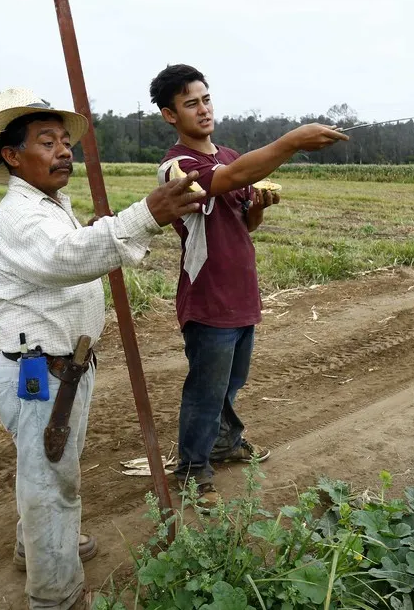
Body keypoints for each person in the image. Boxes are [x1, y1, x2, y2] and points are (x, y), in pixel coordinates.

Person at [0, 87, 204, 610]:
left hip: (62, 371)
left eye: (64, 142)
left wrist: (99, 231)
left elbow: (72, 252)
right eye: (46, 142)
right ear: (11, 156)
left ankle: (37, 549)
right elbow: (62, 259)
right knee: (51, 482)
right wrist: (145, 215)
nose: (63, 151)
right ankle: (57, 596)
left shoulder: (49, 206)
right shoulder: (20, 217)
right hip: (40, 374)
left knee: (47, 467)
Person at [149, 64, 348, 501]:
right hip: (209, 298)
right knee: (206, 387)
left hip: (241, 293)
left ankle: (223, 443)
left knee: (230, 382)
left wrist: (259, 205)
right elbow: (228, 182)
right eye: (190, 104)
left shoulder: (229, 154)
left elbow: (243, 219)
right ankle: (192, 468)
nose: (203, 109)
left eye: (205, 99)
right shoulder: (176, 167)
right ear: (169, 115)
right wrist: (292, 141)